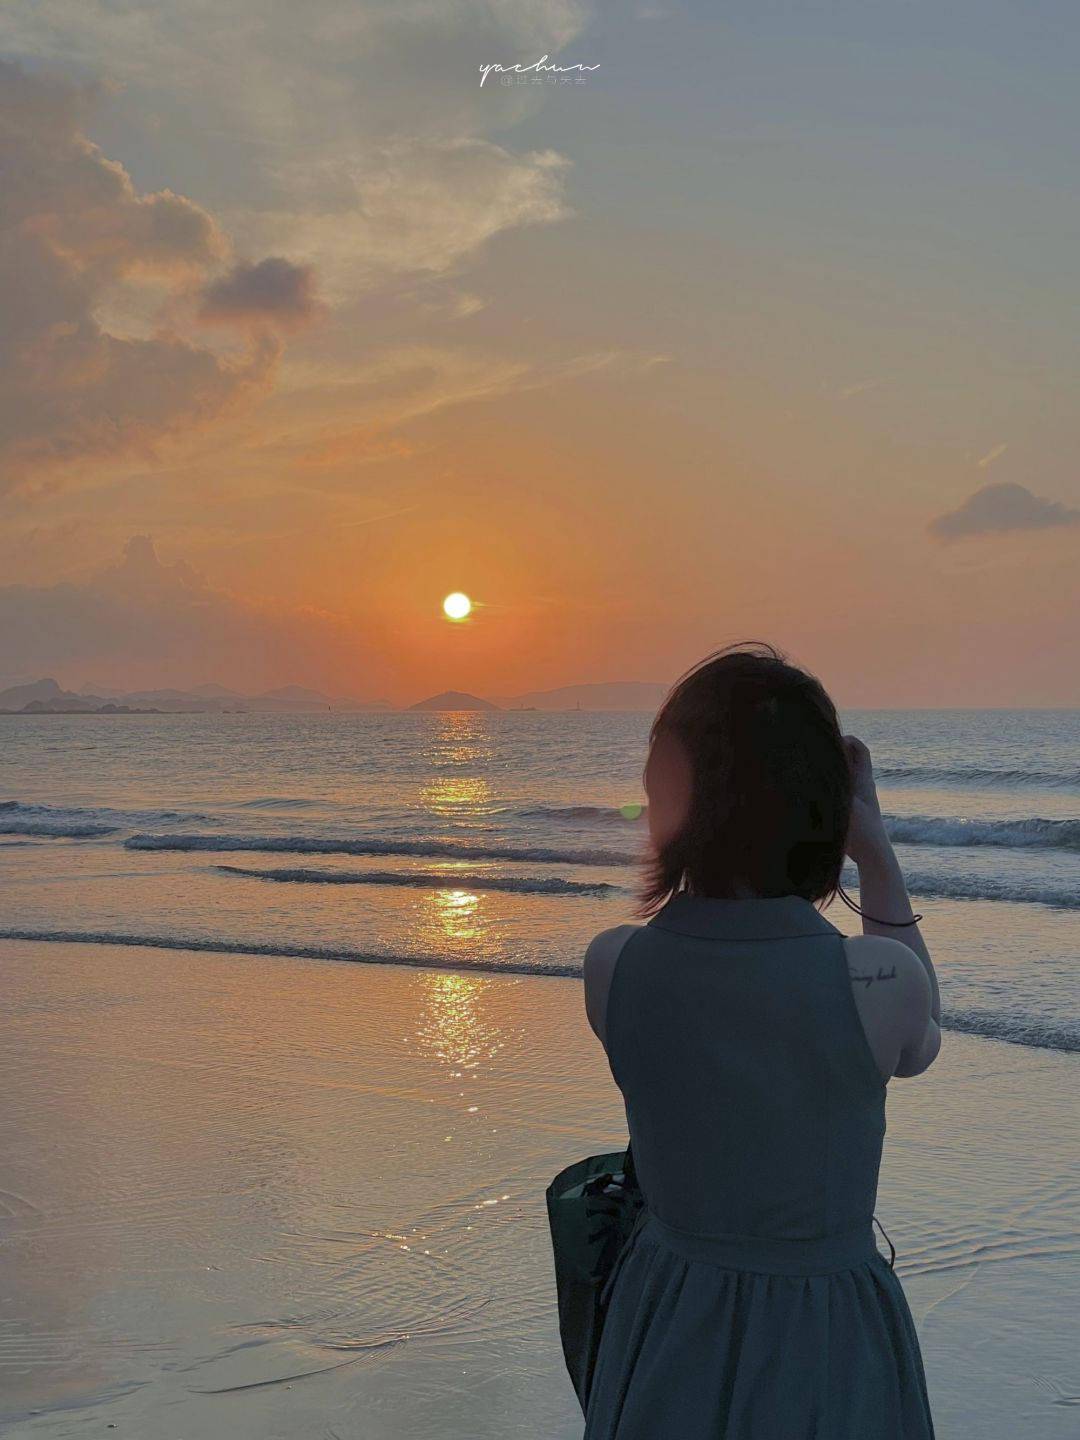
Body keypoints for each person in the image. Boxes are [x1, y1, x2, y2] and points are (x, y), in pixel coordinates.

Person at [581, 641, 940, 1439]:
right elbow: (919, 1042)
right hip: (823, 1328)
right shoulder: (874, 982)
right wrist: (875, 852)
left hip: (668, 1313)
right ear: (823, 810)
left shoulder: (616, 966)